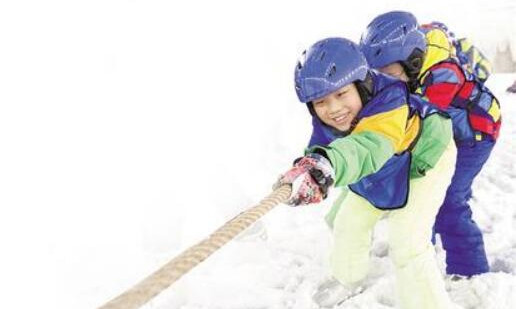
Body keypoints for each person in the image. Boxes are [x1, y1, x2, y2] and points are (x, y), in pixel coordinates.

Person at [275, 37, 457, 308]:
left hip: (426, 157)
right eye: (321, 101)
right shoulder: (335, 115)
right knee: (345, 221)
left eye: (341, 94)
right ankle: (347, 278)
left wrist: (330, 165)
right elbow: (322, 146)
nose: (334, 108)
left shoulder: (390, 99)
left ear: (362, 83)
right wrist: (307, 172)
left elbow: (370, 146)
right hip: (385, 163)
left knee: (406, 241)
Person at [360, 11, 502, 278]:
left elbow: (414, 121)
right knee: (425, 193)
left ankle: (470, 272)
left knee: (449, 201)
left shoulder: (442, 75)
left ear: (412, 61)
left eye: (389, 73)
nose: (384, 81)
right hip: (447, 132)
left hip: (475, 134)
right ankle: (424, 246)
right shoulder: (407, 70)